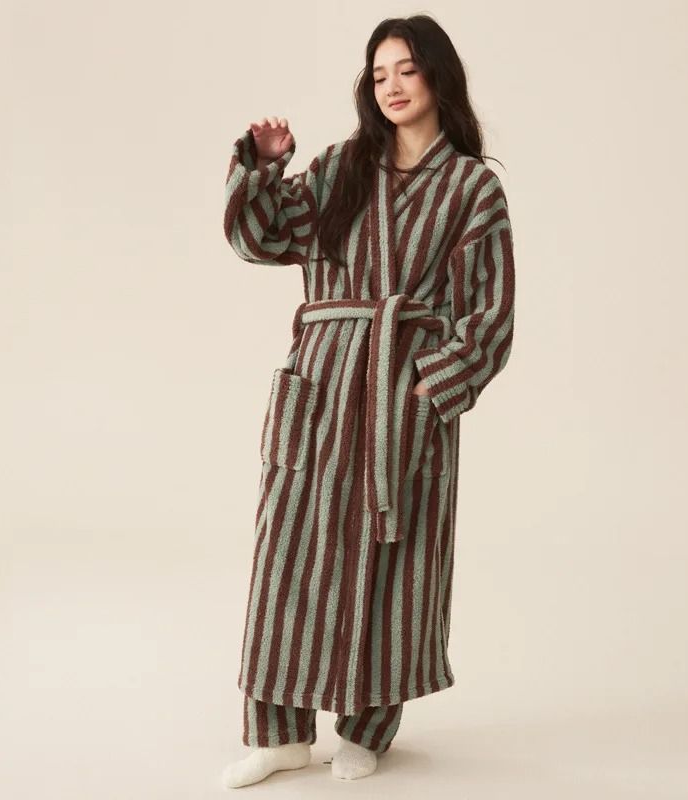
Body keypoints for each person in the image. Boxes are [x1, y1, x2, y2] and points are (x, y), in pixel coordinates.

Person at [220, 13, 515, 789]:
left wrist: (428, 390)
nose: (391, 85)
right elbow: (258, 238)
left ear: (438, 77)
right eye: (379, 73)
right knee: (287, 553)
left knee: (394, 558)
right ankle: (279, 734)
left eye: (406, 69)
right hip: (319, 383)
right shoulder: (341, 167)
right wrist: (264, 166)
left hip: (398, 389)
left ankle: (367, 728)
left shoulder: (472, 187)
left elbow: (489, 317)